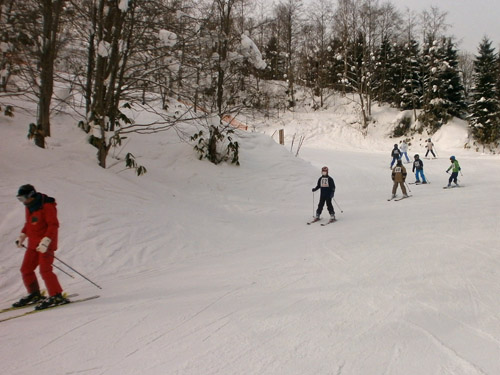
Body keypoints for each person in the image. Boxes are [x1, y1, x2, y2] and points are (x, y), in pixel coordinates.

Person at [14, 184, 69, 310]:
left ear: (31, 195)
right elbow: (29, 223)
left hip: (46, 245)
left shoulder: (47, 206)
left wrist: (46, 241)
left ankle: (56, 295)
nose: (23, 202)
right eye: (20, 199)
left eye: (23, 198)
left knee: (45, 270)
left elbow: (53, 225)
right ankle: (34, 294)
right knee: (26, 269)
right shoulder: (29, 207)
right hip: (33, 244)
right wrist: (22, 235)